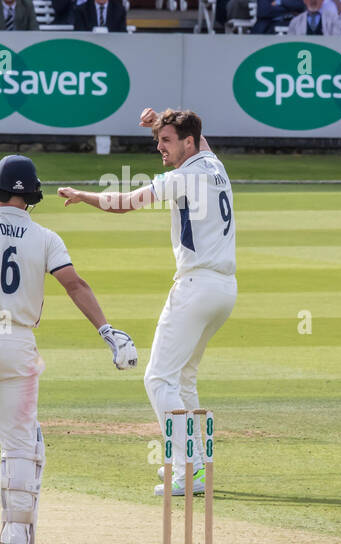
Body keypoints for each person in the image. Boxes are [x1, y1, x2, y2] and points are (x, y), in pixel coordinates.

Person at [0, 155, 137, 544]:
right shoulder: (46, 237)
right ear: (34, 195)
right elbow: (74, 285)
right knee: (20, 444)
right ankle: (17, 537)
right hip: (19, 347)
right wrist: (107, 331)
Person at [57, 108, 235, 497]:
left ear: (187, 142)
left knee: (157, 378)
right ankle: (195, 465)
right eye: (158, 140)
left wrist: (83, 195)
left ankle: (189, 468)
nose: (159, 147)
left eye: (166, 141)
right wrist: (161, 120)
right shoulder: (213, 162)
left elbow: (126, 201)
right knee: (183, 378)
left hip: (197, 285)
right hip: (224, 289)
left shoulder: (184, 176)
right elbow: (197, 133)